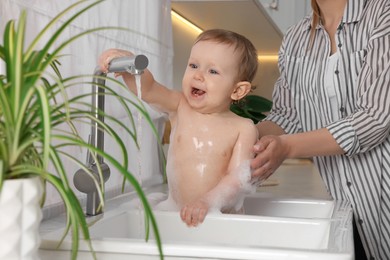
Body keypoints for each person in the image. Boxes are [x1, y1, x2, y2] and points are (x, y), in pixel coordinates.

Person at [250, 0, 390, 259]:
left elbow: (374, 119)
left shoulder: (381, 13)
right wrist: (243, 137)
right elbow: (287, 116)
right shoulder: (295, 38)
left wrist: (288, 147)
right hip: (343, 204)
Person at [99, 29, 259, 227]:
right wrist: (130, 62)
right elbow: (148, 89)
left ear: (237, 90)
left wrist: (206, 203)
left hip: (222, 219)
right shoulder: (180, 106)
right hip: (176, 213)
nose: (198, 75)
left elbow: (237, 179)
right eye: (193, 65)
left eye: (213, 71)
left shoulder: (243, 128)